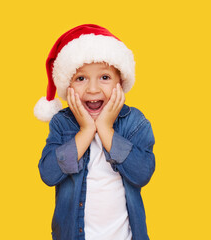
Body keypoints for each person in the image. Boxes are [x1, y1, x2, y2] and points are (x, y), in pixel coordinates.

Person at [34, 24, 155, 240]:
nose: (92, 89)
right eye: (81, 78)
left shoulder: (135, 122)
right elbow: (49, 174)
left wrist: (106, 129)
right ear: (67, 85)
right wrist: (86, 130)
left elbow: (142, 173)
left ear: (121, 81)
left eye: (105, 77)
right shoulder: (62, 124)